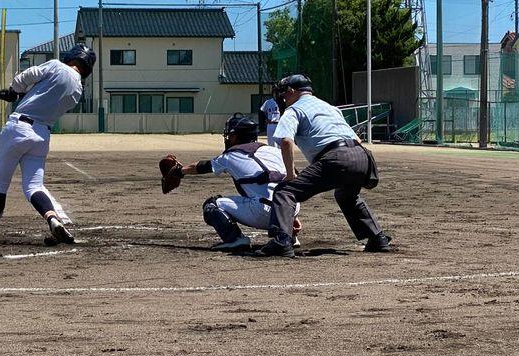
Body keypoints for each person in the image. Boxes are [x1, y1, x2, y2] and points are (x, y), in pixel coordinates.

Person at [255, 74, 391, 258]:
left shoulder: (294, 109)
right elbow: (357, 139)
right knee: (346, 195)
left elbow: (286, 141)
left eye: (284, 94)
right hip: (363, 157)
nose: (283, 98)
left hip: (337, 158)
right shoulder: (329, 107)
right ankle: (378, 238)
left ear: (292, 91)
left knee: (285, 191)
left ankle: (281, 241)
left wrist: (290, 174)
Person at [0, 43, 96, 246]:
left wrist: (13, 91)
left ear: (72, 56)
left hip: (18, 128)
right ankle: (53, 219)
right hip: (42, 136)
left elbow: (25, 77)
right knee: (34, 186)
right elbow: (46, 97)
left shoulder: (56, 65)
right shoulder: (78, 91)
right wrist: (21, 94)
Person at [161, 113, 302, 252]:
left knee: (212, 205)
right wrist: (291, 214)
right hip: (290, 207)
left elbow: (202, 166)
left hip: (263, 213)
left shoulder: (231, 155)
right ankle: (288, 235)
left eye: (230, 135)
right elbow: (296, 180)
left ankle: (235, 240)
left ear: (236, 136)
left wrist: (180, 171)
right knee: (276, 188)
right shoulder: (274, 151)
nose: (228, 138)